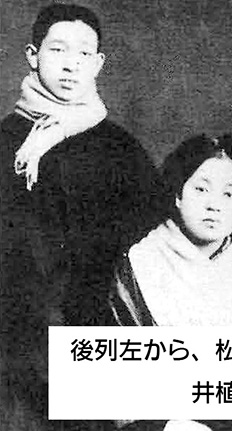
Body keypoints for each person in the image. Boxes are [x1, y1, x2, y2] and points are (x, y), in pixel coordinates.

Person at [0, 4, 162, 430]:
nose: (71, 64)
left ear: (98, 63)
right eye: (58, 50)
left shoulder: (122, 149)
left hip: (98, 340)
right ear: (32, 55)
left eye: (84, 53)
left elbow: (149, 248)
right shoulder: (6, 142)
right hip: (15, 344)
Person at [110, 134, 232, 327]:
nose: (214, 205)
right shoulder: (140, 262)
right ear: (178, 195)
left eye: (229, 194)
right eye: (201, 189)